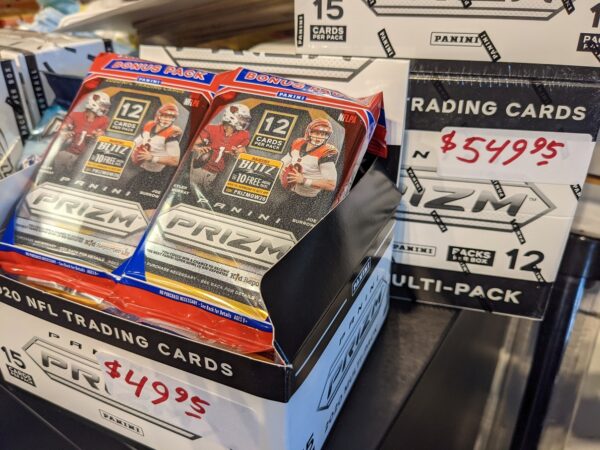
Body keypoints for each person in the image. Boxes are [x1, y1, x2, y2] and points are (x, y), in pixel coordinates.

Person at [128, 103, 183, 214]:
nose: (167, 119)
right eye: (165, 115)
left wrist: (152, 157)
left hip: (158, 176)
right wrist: (132, 150)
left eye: (171, 117)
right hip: (144, 171)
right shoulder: (149, 125)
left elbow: (175, 161)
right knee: (129, 191)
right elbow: (137, 141)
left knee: (148, 205)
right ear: (158, 115)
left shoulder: (171, 135)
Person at [190, 103, 251, 191]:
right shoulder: (212, 129)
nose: (244, 122)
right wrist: (198, 149)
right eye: (242, 118)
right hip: (198, 169)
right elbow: (191, 145)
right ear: (231, 116)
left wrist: (237, 153)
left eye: (245, 119)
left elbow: (243, 153)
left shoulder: (243, 135)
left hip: (215, 175)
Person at [53, 91, 111, 174]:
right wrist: (64, 134)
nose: (104, 109)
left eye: (106, 107)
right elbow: (61, 130)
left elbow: (102, 135)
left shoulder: (104, 120)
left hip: (84, 158)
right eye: (103, 106)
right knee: (62, 158)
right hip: (66, 152)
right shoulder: (74, 115)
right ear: (93, 102)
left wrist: (99, 135)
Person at [280, 118, 339, 198]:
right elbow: (284, 162)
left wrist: (304, 180)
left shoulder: (326, 152)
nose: (319, 137)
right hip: (288, 191)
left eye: (323, 134)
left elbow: (331, 185)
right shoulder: (298, 143)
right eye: (317, 133)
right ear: (309, 133)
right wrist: (282, 170)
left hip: (308, 197)